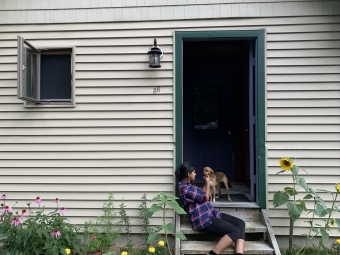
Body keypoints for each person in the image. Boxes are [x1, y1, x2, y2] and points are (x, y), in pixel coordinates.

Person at [175, 162, 245, 255]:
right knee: (234, 231)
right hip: (202, 219)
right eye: (194, 172)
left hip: (211, 213)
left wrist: (206, 183)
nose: (196, 174)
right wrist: (208, 183)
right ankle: (212, 254)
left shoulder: (191, 186)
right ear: (188, 174)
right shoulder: (184, 188)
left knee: (240, 223)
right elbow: (205, 197)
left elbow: (202, 194)